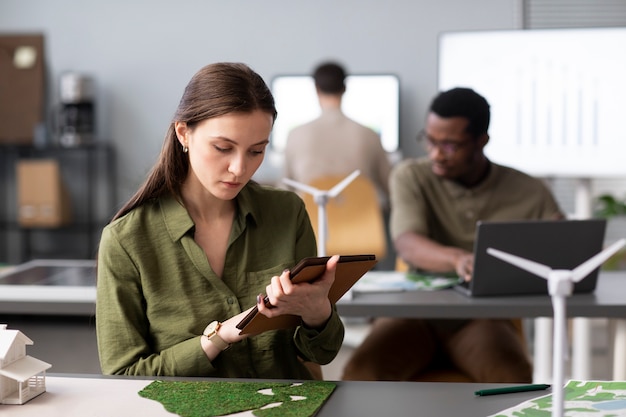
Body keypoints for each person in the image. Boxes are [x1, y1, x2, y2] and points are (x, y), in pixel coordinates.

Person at [96, 62, 344, 379]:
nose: (239, 168)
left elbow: (322, 352)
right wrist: (219, 337)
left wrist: (318, 313)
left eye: (256, 151)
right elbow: (123, 375)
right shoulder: (127, 239)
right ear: (183, 133)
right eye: (223, 148)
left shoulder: (287, 212)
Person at [341, 87, 564, 383]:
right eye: (430, 141)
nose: (436, 154)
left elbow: (560, 248)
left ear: (480, 142)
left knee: (512, 377)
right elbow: (407, 242)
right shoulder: (411, 176)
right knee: (361, 373)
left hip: (482, 319)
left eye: (449, 146)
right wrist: (457, 258)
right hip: (413, 314)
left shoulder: (529, 191)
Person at [283, 61, 391, 206]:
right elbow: (391, 188)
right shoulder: (369, 135)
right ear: (344, 88)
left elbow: (284, 188)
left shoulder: (295, 135)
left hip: (310, 225)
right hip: (361, 225)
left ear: (316, 88)